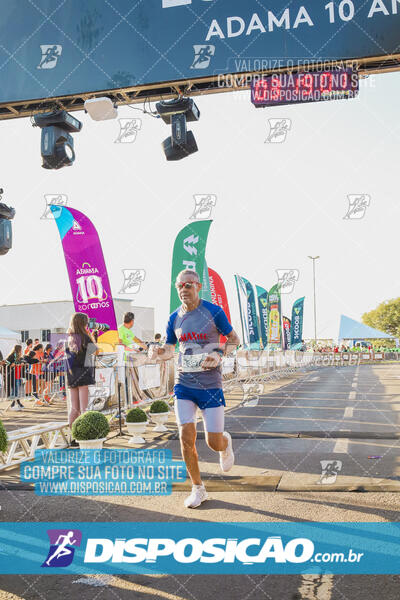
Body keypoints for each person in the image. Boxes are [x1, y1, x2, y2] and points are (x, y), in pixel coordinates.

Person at [150, 269, 240, 509]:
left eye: (188, 285)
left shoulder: (213, 312)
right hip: (184, 384)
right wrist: (159, 353)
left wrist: (218, 353)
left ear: (198, 286)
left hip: (210, 385)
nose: (184, 289)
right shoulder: (174, 318)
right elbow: (169, 349)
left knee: (213, 442)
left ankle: (225, 442)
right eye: (180, 285)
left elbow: (234, 339)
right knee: (185, 437)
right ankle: (198, 488)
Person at [65, 313, 98, 445]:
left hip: (72, 374)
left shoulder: (69, 338)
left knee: (75, 408)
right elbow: (95, 351)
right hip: (83, 374)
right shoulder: (85, 337)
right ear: (83, 323)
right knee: (84, 409)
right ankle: (84, 436)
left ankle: (73, 436)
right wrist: (92, 336)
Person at [6, 344, 24, 410]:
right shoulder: (13, 355)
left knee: (16, 390)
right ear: (18, 349)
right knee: (15, 390)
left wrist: (22, 363)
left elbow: (22, 360)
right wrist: (11, 364)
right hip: (13, 375)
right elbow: (6, 362)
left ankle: (16, 404)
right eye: (20, 349)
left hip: (17, 375)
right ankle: (15, 404)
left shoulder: (18, 356)